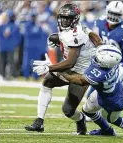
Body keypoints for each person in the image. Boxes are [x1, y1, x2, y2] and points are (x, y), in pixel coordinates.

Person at [25, 3, 102, 135]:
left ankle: (81, 119)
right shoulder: (72, 28)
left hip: (80, 73)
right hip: (71, 66)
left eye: (68, 18)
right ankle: (39, 121)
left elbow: (70, 63)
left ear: (75, 19)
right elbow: (92, 35)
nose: (65, 20)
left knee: (68, 110)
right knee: (47, 82)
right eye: (63, 17)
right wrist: (59, 39)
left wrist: (49, 67)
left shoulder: (76, 34)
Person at [59, 44, 123, 136]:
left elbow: (79, 80)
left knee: (114, 120)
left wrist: (59, 71)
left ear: (104, 63)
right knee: (87, 110)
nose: (95, 58)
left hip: (113, 101)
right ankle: (106, 130)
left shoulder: (100, 73)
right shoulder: (111, 63)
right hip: (107, 92)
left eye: (97, 58)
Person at [87, 1, 123, 97]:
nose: (113, 16)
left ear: (122, 15)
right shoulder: (100, 22)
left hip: (118, 64)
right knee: (91, 93)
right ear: (107, 11)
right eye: (112, 13)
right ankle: (93, 112)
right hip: (102, 61)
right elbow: (94, 42)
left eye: (116, 14)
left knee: (115, 94)